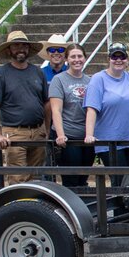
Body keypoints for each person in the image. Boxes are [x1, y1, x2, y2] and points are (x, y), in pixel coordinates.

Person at [83, 42, 129, 194]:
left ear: (127, 59)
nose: (118, 60)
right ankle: (121, 215)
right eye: (114, 56)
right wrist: (89, 134)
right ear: (109, 59)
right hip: (110, 140)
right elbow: (91, 108)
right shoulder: (98, 79)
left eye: (122, 56)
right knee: (119, 180)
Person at [0, 30, 49, 167]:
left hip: (38, 131)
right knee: (17, 176)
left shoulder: (38, 72)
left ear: (28, 48)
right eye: (16, 46)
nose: (20, 49)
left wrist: (47, 129)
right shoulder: (0, 74)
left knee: (38, 176)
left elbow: (46, 103)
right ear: (9, 50)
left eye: (24, 45)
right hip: (14, 132)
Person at [47, 44, 92, 187]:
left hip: (86, 137)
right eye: (73, 56)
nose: (76, 60)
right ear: (67, 59)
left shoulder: (90, 81)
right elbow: (56, 110)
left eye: (80, 56)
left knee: (83, 178)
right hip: (68, 135)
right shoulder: (59, 80)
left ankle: (83, 207)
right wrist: (60, 135)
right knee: (71, 179)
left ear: (85, 58)